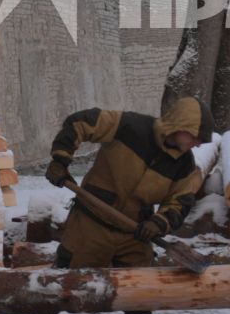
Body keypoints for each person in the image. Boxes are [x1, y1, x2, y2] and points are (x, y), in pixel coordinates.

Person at [46, 97, 212, 267]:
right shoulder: (128, 126)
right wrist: (60, 159)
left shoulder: (185, 165)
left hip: (134, 234)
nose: (198, 144)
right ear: (180, 125)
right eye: (195, 137)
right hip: (90, 224)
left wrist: (158, 223)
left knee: (141, 287)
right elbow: (80, 123)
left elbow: (179, 202)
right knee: (72, 282)